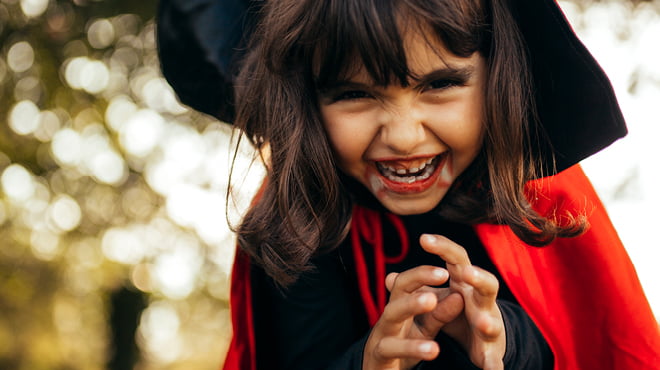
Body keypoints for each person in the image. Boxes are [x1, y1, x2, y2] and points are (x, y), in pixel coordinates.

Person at [157, 0, 660, 369]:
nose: (402, 137)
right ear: (306, 100)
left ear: (499, 76)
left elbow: (600, 345)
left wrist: (506, 338)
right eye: (354, 93)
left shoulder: (543, 196)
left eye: (440, 84)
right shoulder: (293, 223)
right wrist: (369, 363)